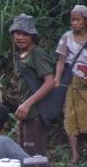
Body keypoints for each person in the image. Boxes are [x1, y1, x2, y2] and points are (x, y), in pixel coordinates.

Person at [55, 4, 87, 163]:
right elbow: (61, 61)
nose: (74, 23)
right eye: (72, 19)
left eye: (77, 19)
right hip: (71, 82)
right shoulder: (66, 37)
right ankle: (75, 154)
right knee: (70, 115)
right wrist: (57, 78)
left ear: (86, 21)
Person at [10, 14, 55, 157]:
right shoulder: (20, 54)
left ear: (32, 36)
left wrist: (27, 104)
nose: (21, 38)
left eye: (25, 34)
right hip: (25, 115)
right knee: (24, 156)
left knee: (34, 159)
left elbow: (50, 82)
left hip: (35, 113)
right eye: (18, 33)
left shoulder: (37, 54)